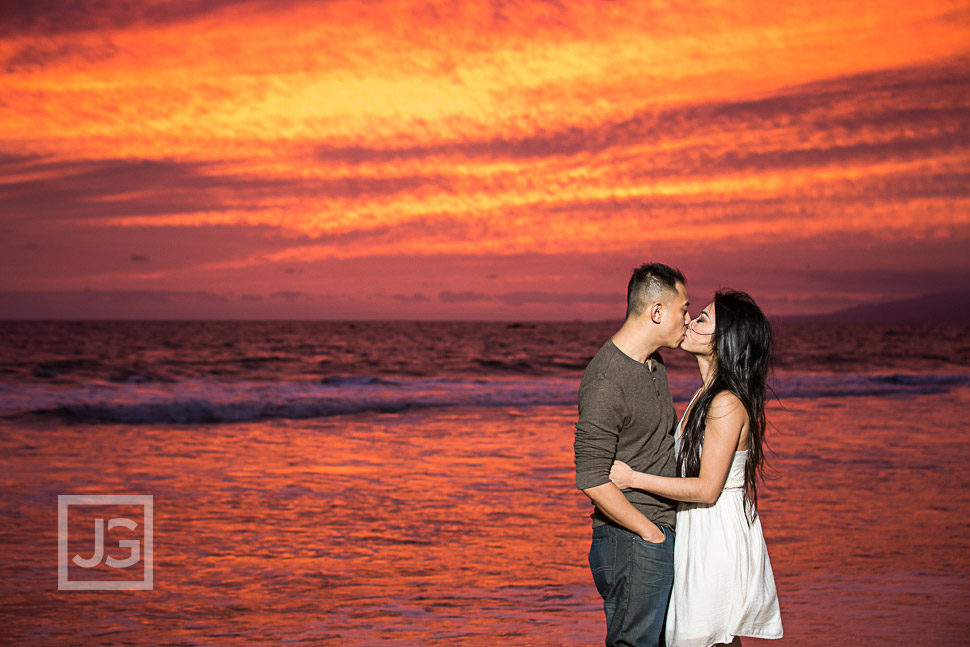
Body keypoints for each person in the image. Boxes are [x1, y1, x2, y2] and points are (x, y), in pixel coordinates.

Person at [609, 289, 784, 647]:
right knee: (711, 636)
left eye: (703, 318)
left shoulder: (724, 403)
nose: (690, 320)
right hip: (702, 524)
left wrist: (633, 478)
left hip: (715, 529)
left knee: (705, 634)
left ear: (724, 341)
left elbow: (706, 488)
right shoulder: (706, 395)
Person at [574, 262, 691, 647]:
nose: (687, 319)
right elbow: (591, 476)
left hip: (654, 535)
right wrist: (649, 532)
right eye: (684, 309)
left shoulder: (653, 365)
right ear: (656, 311)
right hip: (632, 540)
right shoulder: (608, 379)